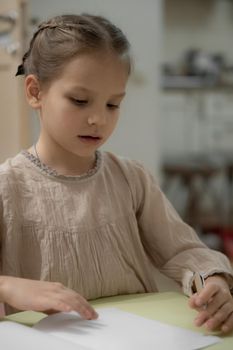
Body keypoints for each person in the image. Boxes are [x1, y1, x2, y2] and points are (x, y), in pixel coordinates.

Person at [0, 14, 233, 334]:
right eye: (80, 101)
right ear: (35, 91)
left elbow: (185, 251)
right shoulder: (7, 188)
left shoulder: (131, 178)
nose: (98, 118)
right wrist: (8, 286)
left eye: (113, 104)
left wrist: (214, 281)